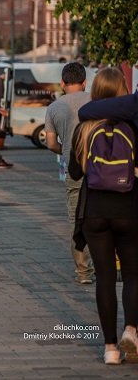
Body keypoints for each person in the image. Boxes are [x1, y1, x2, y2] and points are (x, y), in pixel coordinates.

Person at [69, 68, 137, 364]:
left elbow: (73, 172)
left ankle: (110, 348)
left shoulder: (84, 127)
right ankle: (132, 330)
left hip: (94, 212)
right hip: (130, 208)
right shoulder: (132, 125)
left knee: (105, 278)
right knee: (134, 275)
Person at [44, 61, 94, 285]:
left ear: (63, 83)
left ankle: (84, 273)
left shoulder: (54, 108)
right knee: (103, 216)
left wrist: (64, 149)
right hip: (101, 169)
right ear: (84, 82)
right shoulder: (97, 101)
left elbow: (51, 143)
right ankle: (108, 268)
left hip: (73, 169)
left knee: (77, 221)